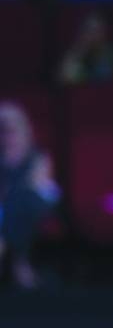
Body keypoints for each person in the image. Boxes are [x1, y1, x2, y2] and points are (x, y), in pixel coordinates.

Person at [0, 102, 60, 289]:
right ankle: (20, 263)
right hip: (8, 208)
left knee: (24, 200)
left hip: (34, 203)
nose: (7, 136)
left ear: (23, 129)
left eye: (11, 130)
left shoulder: (38, 156)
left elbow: (35, 185)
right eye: (3, 131)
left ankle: (12, 255)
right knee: (14, 206)